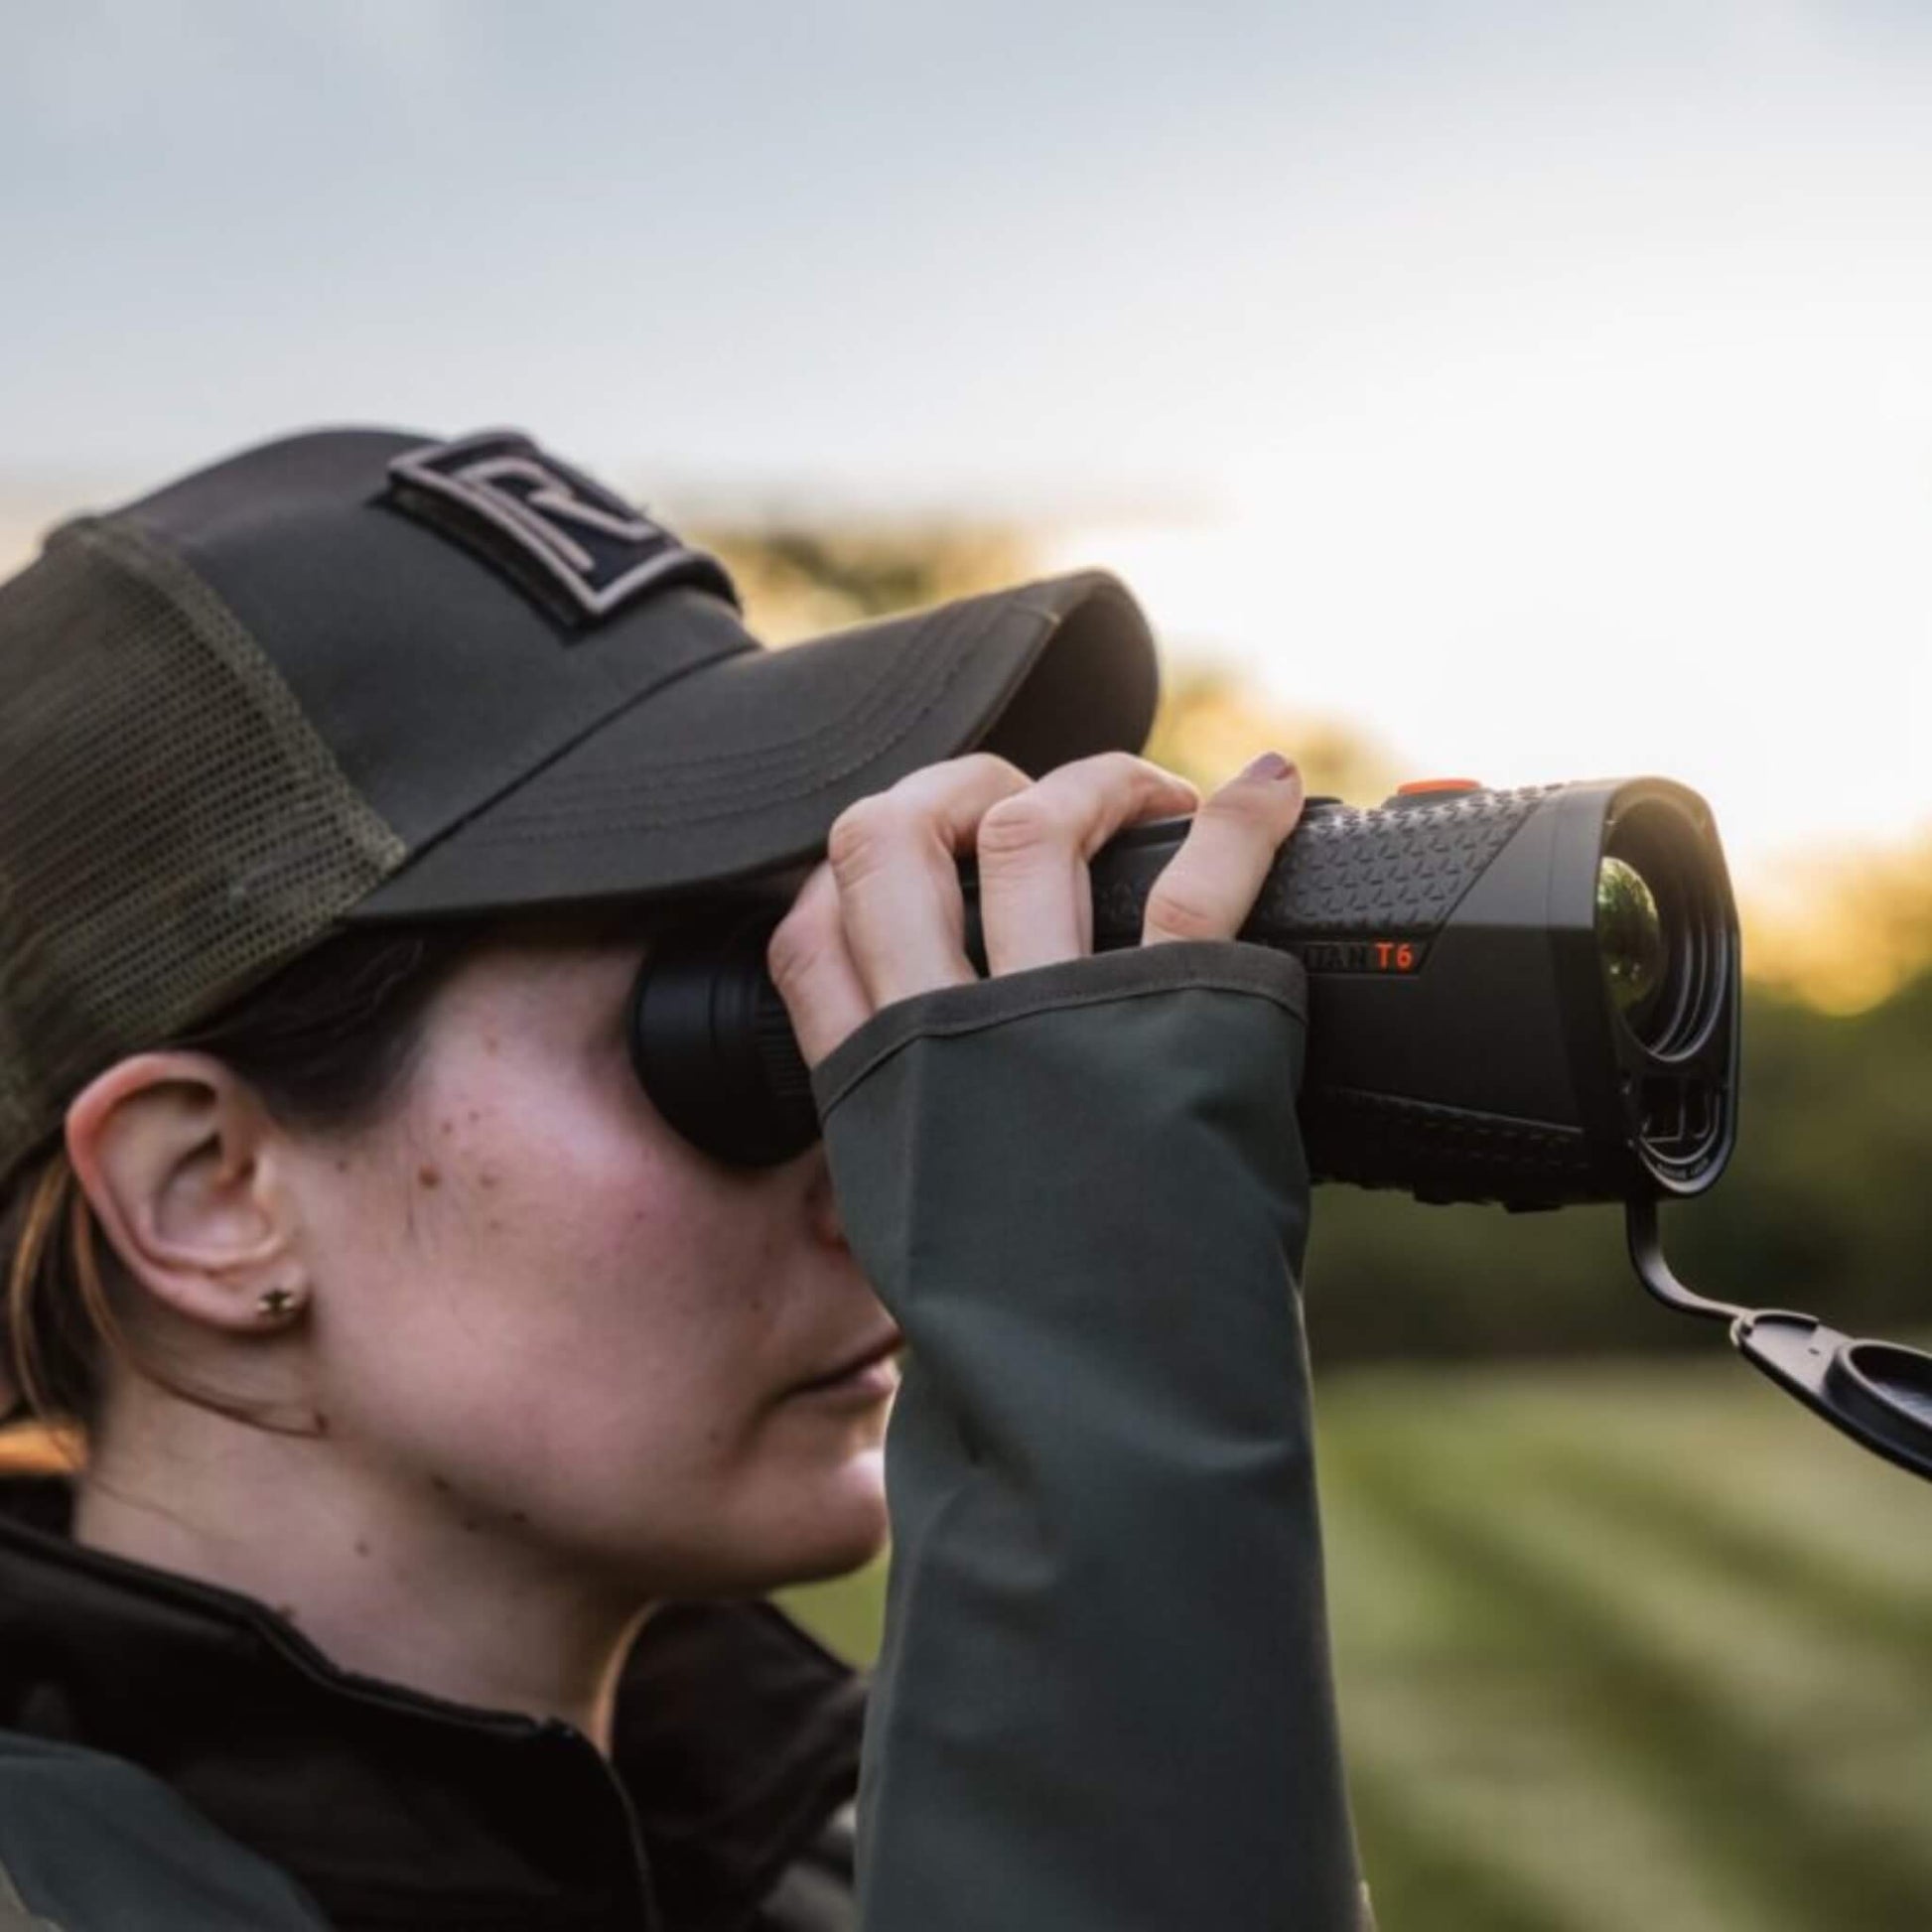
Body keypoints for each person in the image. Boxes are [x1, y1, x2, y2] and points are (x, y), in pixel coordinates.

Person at [0, 427, 1373, 1930]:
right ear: (208, 1187)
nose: (871, 1156)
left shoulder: (822, 1863)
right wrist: (1101, 1370)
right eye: (727, 1033)